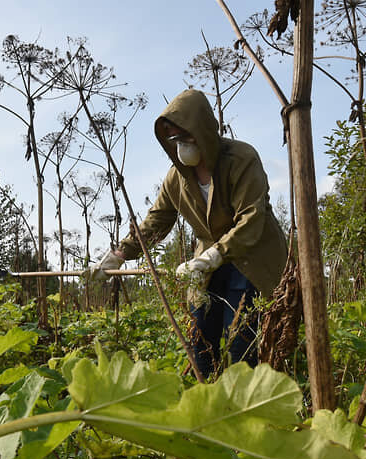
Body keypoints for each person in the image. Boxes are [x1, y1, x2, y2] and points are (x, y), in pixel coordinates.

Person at [88, 89, 287, 378]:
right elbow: (156, 221)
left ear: (204, 131)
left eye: (187, 137)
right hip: (206, 265)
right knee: (200, 341)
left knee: (242, 342)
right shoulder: (176, 179)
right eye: (175, 140)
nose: (182, 146)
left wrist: (214, 255)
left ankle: (247, 406)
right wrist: (117, 256)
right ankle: (207, 399)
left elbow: (252, 219)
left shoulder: (241, 158)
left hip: (250, 258)